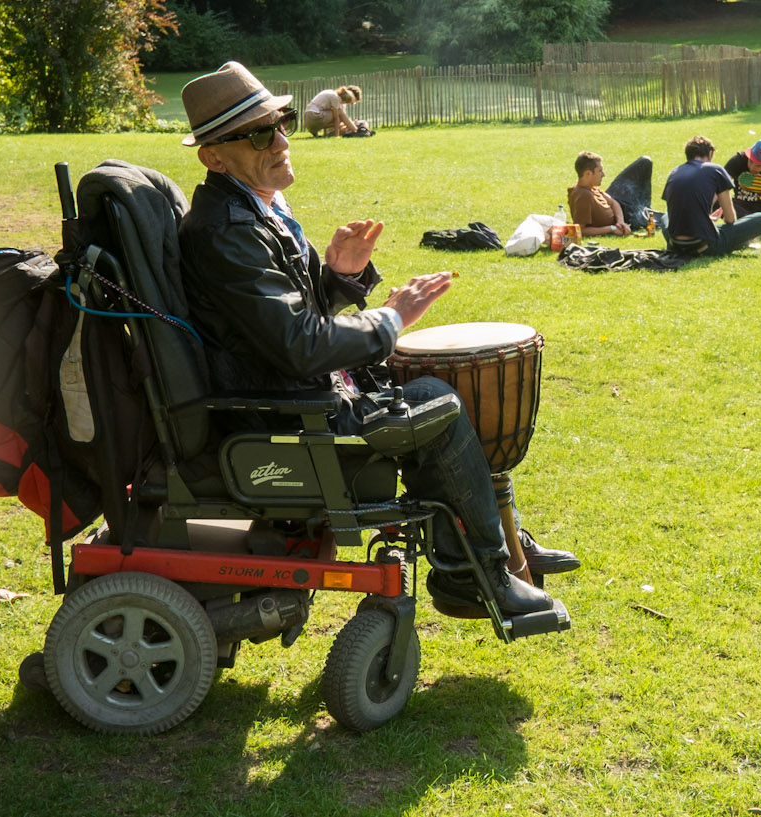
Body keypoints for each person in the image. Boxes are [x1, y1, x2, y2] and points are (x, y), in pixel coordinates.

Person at [173, 62, 575, 620]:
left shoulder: (251, 208)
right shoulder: (228, 232)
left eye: (282, 121)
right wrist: (390, 317)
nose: (284, 140)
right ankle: (475, 574)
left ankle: (502, 546)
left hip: (296, 394)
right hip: (284, 418)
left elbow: (274, 324)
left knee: (435, 385)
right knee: (440, 400)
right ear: (213, 156)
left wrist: (337, 277)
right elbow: (300, 346)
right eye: (262, 133)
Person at [660, 135, 761, 256]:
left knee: (665, 216)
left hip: (675, 244)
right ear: (710, 154)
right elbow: (730, 219)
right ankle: (738, 242)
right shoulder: (715, 169)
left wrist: (705, 218)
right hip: (704, 245)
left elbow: (676, 213)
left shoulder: (675, 172)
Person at [568, 152, 633, 237]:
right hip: (630, 214)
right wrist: (611, 229)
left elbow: (614, 203)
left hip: (624, 213)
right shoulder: (583, 195)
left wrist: (620, 222)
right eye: (600, 171)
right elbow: (581, 230)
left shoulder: (591, 187)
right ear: (588, 173)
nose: (603, 174)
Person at [300, 85, 365, 137]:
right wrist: (337, 136)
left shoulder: (332, 94)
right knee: (339, 113)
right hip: (314, 115)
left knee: (339, 117)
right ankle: (355, 131)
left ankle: (354, 130)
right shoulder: (335, 98)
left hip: (309, 120)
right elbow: (336, 118)